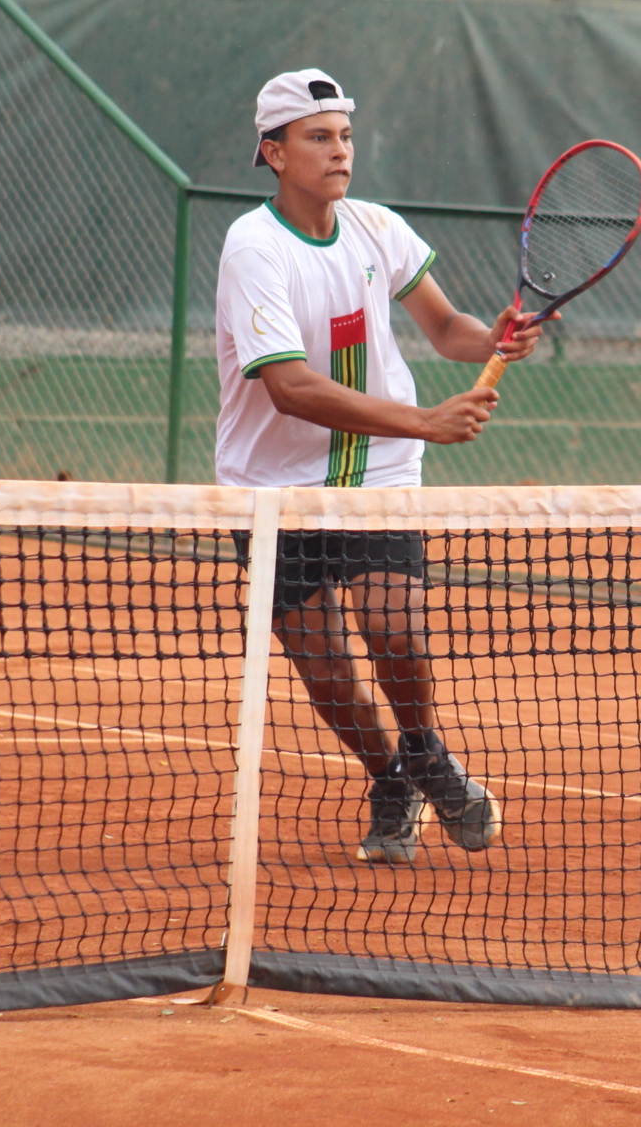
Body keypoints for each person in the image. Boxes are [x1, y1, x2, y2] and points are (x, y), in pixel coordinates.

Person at [215, 68, 548, 865]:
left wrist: (492, 337)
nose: (339, 151)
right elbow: (290, 389)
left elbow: (444, 329)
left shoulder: (376, 227)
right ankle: (394, 775)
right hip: (273, 490)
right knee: (327, 675)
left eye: (346, 136)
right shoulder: (251, 247)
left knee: (392, 626)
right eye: (318, 137)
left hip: (380, 475)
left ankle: (426, 749)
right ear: (273, 151)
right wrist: (427, 421)